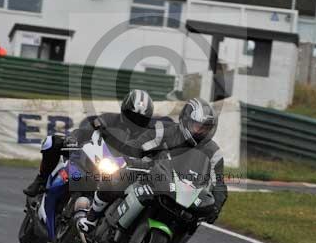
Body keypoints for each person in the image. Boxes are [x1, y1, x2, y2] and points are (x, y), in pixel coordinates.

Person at [78, 98, 227, 230]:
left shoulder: (214, 152)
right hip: (150, 174)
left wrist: (215, 208)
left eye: (206, 128)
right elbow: (136, 146)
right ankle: (91, 217)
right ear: (186, 120)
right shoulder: (165, 131)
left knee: (194, 219)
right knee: (116, 176)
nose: (201, 132)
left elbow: (219, 183)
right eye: (198, 126)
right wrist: (129, 158)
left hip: (185, 191)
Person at [23, 89, 155, 197]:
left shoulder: (149, 135)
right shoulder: (109, 119)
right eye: (131, 116)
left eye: (140, 119)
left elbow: (158, 153)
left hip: (123, 172)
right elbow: (86, 130)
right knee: (52, 142)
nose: (135, 121)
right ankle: (41, 179)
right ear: (123, 110)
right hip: (96, 160)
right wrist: (73, 138)